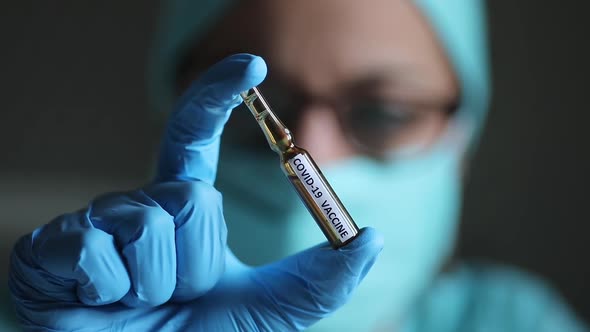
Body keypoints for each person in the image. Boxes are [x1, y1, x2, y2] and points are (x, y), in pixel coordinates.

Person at [7, 0, 588, 331]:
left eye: (384, 114)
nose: (316, 144)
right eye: (257, 105)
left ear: (462, 142)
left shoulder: (513, 320)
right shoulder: (60, 312)